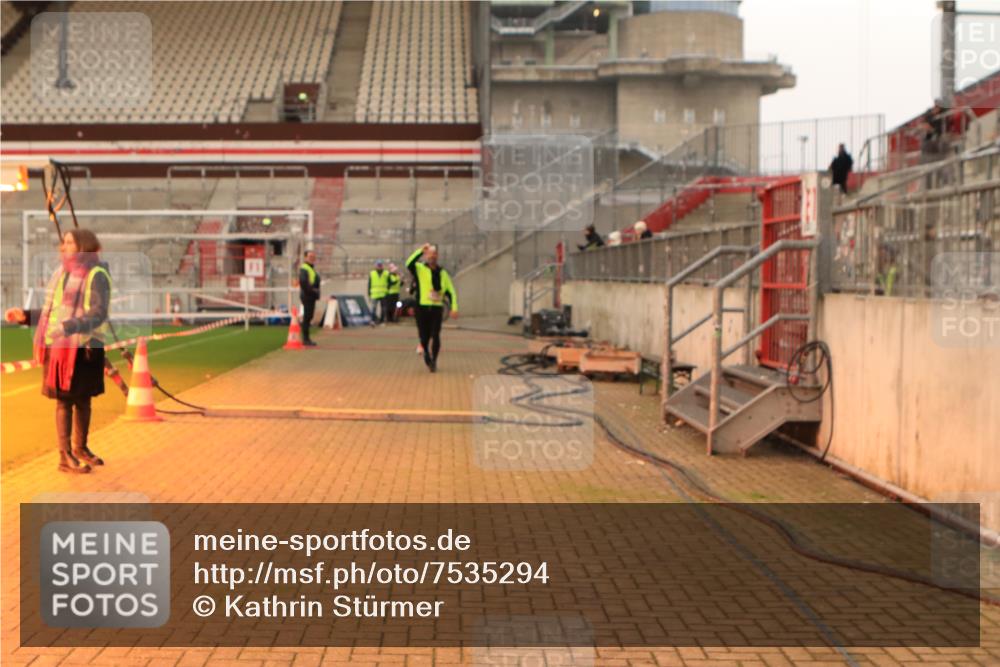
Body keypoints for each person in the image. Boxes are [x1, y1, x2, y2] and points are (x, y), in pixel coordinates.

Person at [4, 229, 110, 474]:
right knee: (64, 402)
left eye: (70, 242)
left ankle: (80, 448)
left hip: (84, 348)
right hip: (60, 348)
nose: (63, 247)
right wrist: (26, 316)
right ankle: (65, 456)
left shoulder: (97, 274)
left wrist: (69, 326)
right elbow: (53, 311)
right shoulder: (62, 274)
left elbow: (98, 312)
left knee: (83, 399)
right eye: (63, 242)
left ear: (83, 245)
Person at [406, 243, 458, 373]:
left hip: (436, 308)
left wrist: (454, 307)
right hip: (421, 308)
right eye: (430, 254)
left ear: (437, 256)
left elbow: (450, 291)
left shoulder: (443, 273)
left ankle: (434, 360)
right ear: (426, 256)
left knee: (435, 335)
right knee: (423, 337)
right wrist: (420, 251)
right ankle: (426, 355)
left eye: (434, 254)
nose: (432, 256)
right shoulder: (419, 268)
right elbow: (409, 263)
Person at [298, 250, 320, 346]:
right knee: (307, 317)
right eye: (310, 256)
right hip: (308, 295)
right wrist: (312, 291)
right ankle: (305, 339)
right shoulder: (305, 268)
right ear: (305, 257)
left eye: (313, 256)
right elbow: (303, 282)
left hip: (310, 295)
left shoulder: (310, 268)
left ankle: (306, 337)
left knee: (309, 316)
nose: (312, 258)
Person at [368, 259, 390, 325]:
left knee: (383, 308)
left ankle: (382, 321)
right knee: (373, 308)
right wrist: (369, 293)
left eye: (380, 265)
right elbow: (369, 284)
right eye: (378, 265)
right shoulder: (372, 273)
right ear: (376, 266)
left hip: (383, 293)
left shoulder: (386, 273)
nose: (379, 266)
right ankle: (373, 320)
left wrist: (387, 290)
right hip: (374, 294)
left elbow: (390, 282)